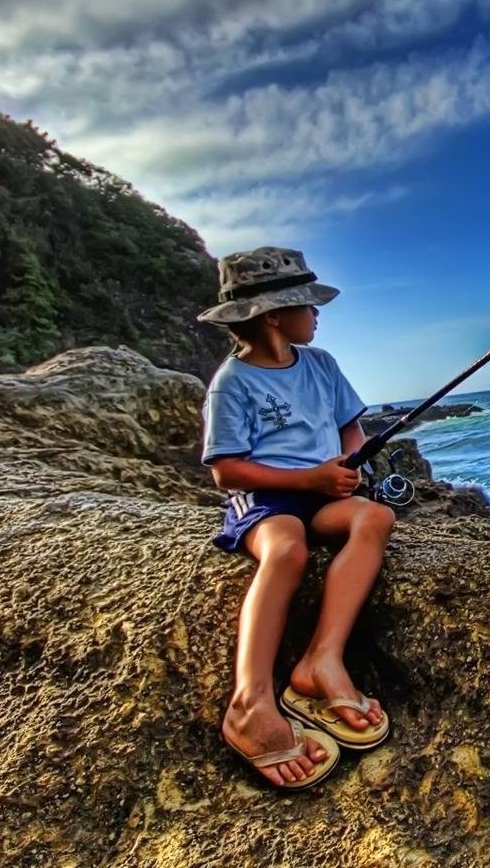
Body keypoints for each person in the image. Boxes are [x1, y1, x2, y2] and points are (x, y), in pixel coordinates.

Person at [196, 246, 394, 792]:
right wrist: (306, 481)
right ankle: (249, 701)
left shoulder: (322, 364)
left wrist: (349, 465)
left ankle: (320, 662)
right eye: (307, 305)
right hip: (267, 497)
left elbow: (350, 428)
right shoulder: (231, 384)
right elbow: (227, 472)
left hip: (323, 492)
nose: (317, 314)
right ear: (273, 317)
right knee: (287, 549)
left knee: (372, 519)